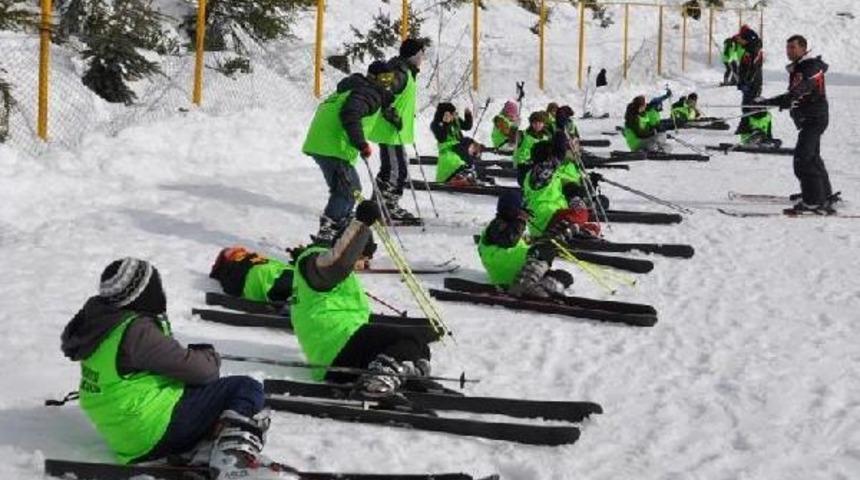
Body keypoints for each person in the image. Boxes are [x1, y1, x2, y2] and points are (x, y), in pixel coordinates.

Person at [61, 258, 293, 479]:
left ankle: (207, 448)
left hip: (125, 434)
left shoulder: (99, 325)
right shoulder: (135, 330)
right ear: (142, 292)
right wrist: (208, 356)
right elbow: (203, 372)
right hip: (151, 428)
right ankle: (233, 461)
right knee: (245, 388)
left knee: (199, 390)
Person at [290, 200, 434, 398]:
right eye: (364, 259)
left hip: (347, 345)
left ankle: (404, 371)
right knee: (407, 337)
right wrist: (362, 224)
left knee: (418, 342)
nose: (365, 266)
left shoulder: (320, 266)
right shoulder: (319, 264)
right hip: (335, 351)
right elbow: (339, 264)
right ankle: (379, 379)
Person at [302, 61, 397, 246]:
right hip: (334, 146)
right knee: (346, 191)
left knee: (352, 190)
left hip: (325, 144)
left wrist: (388, 112)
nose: (387, 82)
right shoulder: (368, 92)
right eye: (383, 78)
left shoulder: (356, 88)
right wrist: (361, 143)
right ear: (372, 77)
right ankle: (327, 234)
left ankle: (339, 228)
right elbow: (351, 113)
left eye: (390, 78)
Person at [757, 35, 835, 214]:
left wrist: (787, 99)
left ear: (803, 48)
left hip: (814, 119)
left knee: (803, 159)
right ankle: (823, 195)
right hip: (810, 118)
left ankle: (814, 202)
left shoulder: (811, 66)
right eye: (787, 47)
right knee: (812, 157)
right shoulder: (800, 67)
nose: (789, 51)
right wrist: (767, 102)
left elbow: (802, 88)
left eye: (793, 47)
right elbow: (794, 93)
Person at [368, 38, 427, 222]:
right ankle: (388, 206)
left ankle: (377, 204)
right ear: (414, 55)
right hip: (390, 129)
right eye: (421, 54)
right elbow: (384, 92)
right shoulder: (400, 71)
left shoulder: (405, 70)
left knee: (390, 168)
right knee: (397, 170)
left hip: (394, 130)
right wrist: (391, 113)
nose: (423, 58)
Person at [477, 192, 574, 299]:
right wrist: (521, 220)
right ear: (513, 209)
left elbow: (518, 242)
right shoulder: (498, 224)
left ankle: (543, 286)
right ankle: (524, 286)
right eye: (522, 208)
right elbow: (509, 241)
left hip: (516, 268)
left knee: (565, 277)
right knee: (543, 251)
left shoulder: (509, 222)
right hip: (506, 272)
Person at [522, 142, 602, 241]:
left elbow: (574, 190)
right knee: (581, 213)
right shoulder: (538, 174)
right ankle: (552, 237)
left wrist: (591, 184)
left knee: (592, 226)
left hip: (552, 216)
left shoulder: (552, 175)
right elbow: (553, 163)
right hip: (544, 219)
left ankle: (570, 235)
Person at [209, 247, 294, 304]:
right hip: (266, 277)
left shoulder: (255, 257)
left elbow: (232, 289)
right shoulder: (229, 268)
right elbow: (232, 288)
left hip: (272, 275)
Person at [735, 25, 764, 135]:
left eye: (740, 39)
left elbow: (754, 69)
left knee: (750, 105)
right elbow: (744, 68)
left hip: (753, 84)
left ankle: (752, 127)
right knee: (746, 105)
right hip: (748, 83)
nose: (739, 42)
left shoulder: (754, 51)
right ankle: (744, 126)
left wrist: (747, 82)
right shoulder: (748, 49)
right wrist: (741, 81)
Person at [513, 111, 551, 185]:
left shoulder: (547, 136)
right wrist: (514, 127)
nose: (537, 125)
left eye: (540, 123)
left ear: (543, 123)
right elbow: (512, 140)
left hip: (540, 168)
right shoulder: (523, 135)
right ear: (531, 123)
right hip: (524, 166)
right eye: (535, 123)